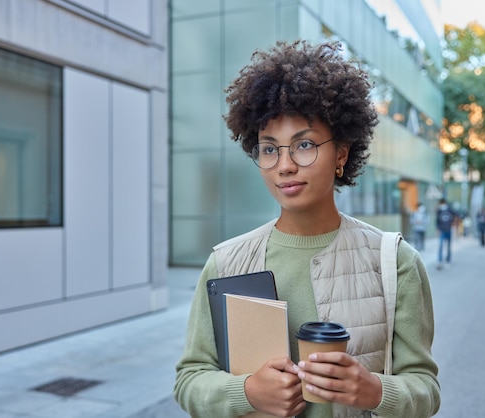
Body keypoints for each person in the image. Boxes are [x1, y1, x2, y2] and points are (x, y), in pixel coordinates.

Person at [174, 40, 440, 418]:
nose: (284, 165)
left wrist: (374, 390)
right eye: (269, 149)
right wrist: (247, 392)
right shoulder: (225, 262)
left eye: (303, 144)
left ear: (342, 154)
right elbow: (190, 379)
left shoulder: (394, 263)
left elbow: (425, 389)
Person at [435, 198, 455, 269]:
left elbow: (455, 217)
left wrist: (454, 225)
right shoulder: (439, 211)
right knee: (441, 246)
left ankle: (448, 260)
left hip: (449, 230)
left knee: (448, 246)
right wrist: (438, 230)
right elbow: (437, 221)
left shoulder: (450, 210)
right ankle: (440, 260)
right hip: (442, 230)